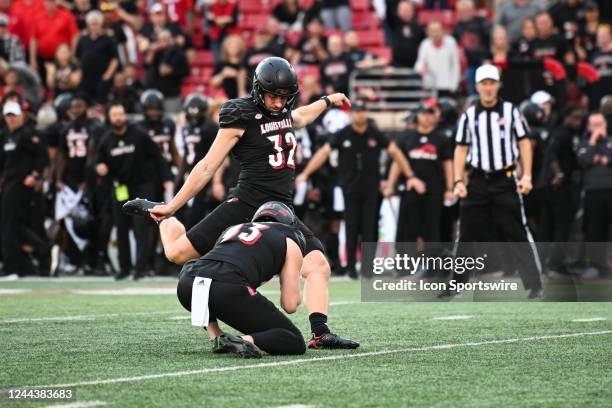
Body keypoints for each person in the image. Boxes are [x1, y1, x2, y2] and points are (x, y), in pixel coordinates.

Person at [123, 56, 359, 349]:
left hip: (279, 210)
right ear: (259, 90)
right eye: (273, 95)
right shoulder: (242, 115)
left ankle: (320, 332)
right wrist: (173, 206)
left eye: (284, 97)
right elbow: (208, 165)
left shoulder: (284, 111)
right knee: (176, 253)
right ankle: (162, 214)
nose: (277, 103)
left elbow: (301, 117)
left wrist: (327, 100)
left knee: (318, 265)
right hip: (246, 201)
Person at [444, 64, 544, 299]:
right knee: (466, 233)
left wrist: (526, 174)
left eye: (492, 83)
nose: (488, 88)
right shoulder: (469, 114)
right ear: (477, 87)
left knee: (517, 231)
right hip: (477, 180)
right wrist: (459, 180)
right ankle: (455, 285)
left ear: (498, 85)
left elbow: (524, 142)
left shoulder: (510, 111)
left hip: (505, 178)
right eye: (484, 84)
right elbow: (460, 149)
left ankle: (534, 284)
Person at [296, 101, 418, 278]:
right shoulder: (343, 135)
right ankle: (352, 268)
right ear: (351, 114)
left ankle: (368, 269)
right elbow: (323, 153)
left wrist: (409, 174)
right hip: (350, 189)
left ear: (366, 113)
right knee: (351, 228)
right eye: (356, 112)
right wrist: (306, 173)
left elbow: (395, 152)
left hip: (371, 190)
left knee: (369, 228)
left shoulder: (374, 134)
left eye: (362, 111)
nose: (359, 115)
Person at [176, 201, 309, 358]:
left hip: (188, 284)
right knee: (293, 339)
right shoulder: (289, 237)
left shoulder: (233, 230)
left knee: (203, 275)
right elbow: (290, 304)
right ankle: (240, 340)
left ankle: (215, 336)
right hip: (226, 287)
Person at [96, 102, 171, 279]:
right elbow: (97, 159)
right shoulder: (106, 140)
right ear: (109, 117)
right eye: (115, 114)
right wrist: (99, 166)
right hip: (120, 188)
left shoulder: (140, 135)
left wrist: (166, 179)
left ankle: (141, 268)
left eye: (121, 114)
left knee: (141, 228)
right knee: (121, 228)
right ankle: (124, 268)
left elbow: (158, 157)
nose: (118, 118)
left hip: (143, 185)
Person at [385, 104, 453, 260]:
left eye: (430, 114)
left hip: (434, 190)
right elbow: (397, 163)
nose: (427, 117)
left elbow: (448, 164)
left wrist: (450, 188)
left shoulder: (441, 139)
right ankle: (405, 265)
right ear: (417, 116)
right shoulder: (406, 137)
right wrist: (390, 185)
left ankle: (431, 266)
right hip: (410, 190)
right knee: (407, 228)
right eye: (423, 114)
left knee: (432, 229)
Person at [0, 100, 50, 276]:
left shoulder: (27, 135)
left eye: (14, 115)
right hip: (8, 185)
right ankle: (38, 255)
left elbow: (43, 156)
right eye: (8, 116)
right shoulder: (5, 136)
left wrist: (35, 175)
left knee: (9, 226)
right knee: (14, 226)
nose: (11, 119)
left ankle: (12, 267)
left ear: (21, 116)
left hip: (20, 185)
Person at [576, 112, 612, 279]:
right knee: (595, 230)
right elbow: (583, 160)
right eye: (594, 125)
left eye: (600, 124)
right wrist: (592, 143)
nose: (598, 128)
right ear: (589, 127)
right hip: (593, 193)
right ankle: (597, 266)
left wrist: (605, 159)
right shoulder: (584, 143)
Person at [178, 93, 221, 229]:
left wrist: (215, 182)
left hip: (204, 175)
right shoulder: (186, 127)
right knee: (182, 215)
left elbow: (218, 155)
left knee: (197, 216)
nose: (194, 116)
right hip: (189, 173)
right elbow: (185, 154)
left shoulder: (210, 128)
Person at [415, 20, 461, 97]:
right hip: (430, 85)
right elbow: (420, 62)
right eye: (432, 31)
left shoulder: (451, 43)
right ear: (428, 32)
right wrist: (419, 68)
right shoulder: (424, 44)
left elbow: (455, 65)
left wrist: (454, 85)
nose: (435, 33)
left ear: (443, 31)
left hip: (447, 85)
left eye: (437, 30)